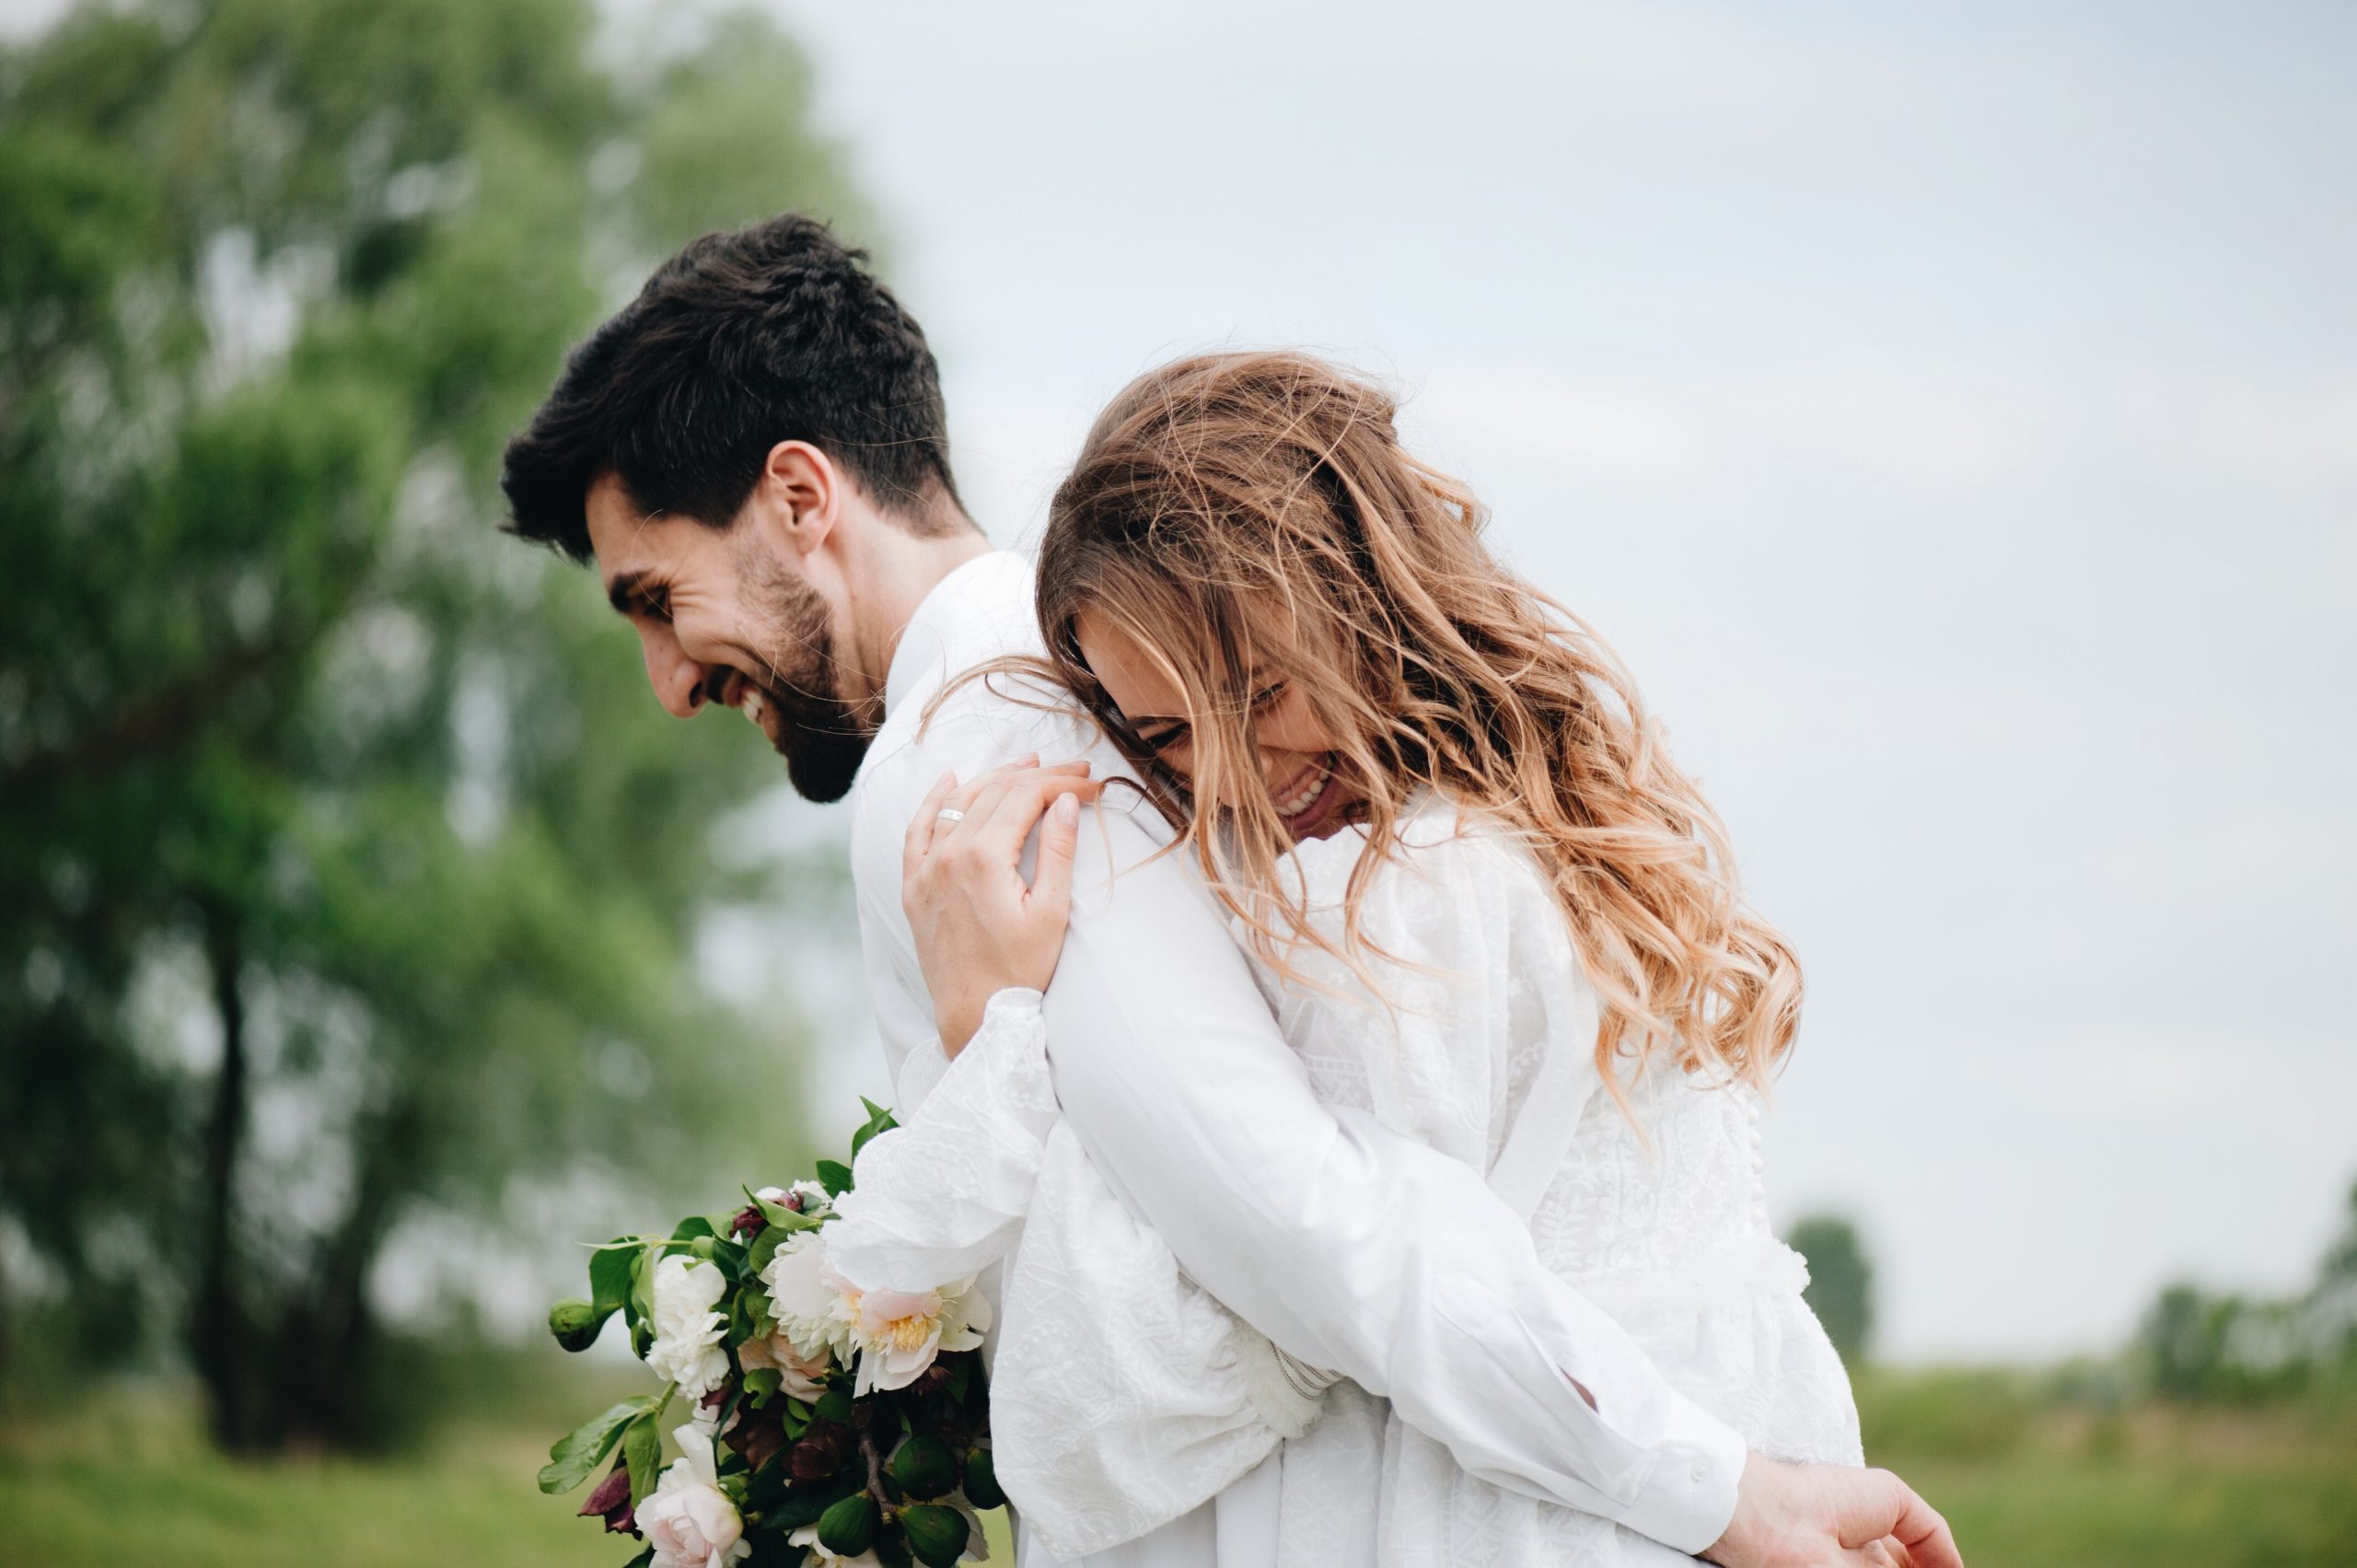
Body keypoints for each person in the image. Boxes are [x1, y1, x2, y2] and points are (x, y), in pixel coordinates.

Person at [498, 213, 1959, 1568]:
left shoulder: (984, 742)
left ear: (803, 497)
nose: (670, 683)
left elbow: (1296, 1221)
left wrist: (1722, 1493)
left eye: (655, 598)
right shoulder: (1097, 663)